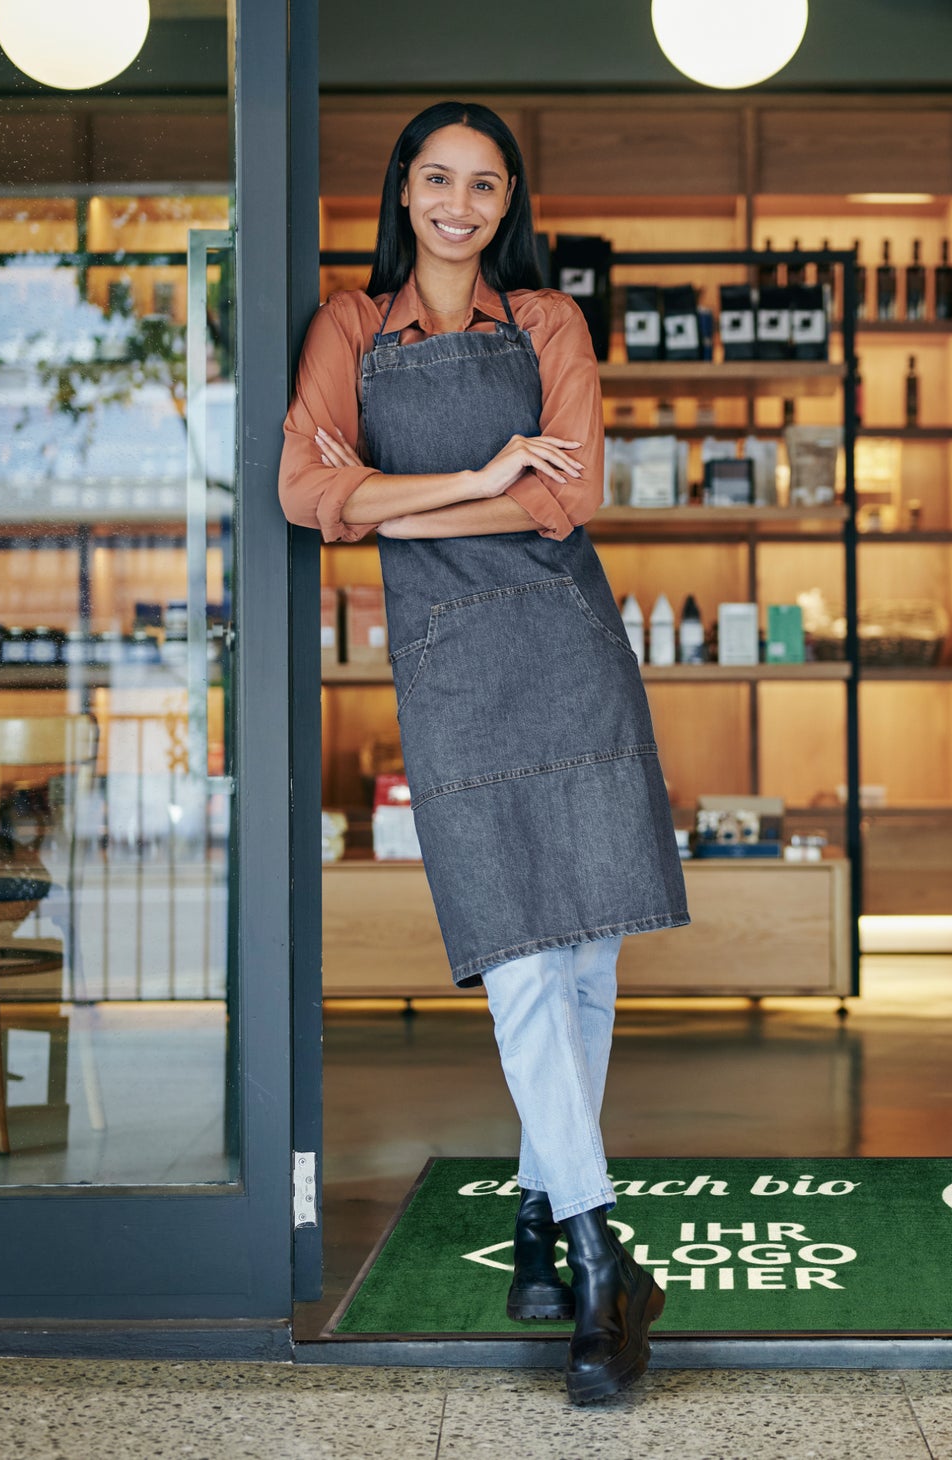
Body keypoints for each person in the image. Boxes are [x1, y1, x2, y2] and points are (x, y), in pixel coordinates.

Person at [278, 100, 689, 1403]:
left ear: (508, 204)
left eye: (485, 186)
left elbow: (568, 497)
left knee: (584, 950)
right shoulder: (349, 328)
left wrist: (392, 503)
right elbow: (304, 494)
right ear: (403, 191)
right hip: (454, 671)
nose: (460, 205)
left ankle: (534, 1225)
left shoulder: (550, 323)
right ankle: (593, 1249)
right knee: (517, 955)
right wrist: (473, 479)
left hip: (569, 653)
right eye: (439, 180)